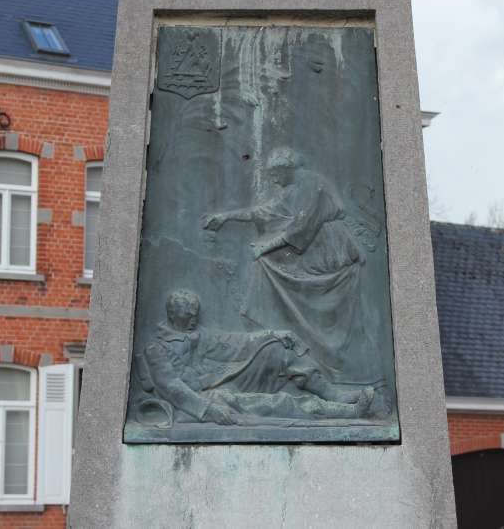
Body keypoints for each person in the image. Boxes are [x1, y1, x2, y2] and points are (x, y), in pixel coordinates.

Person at [203, 147, 386, 388]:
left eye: (274, 173)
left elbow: (302, 226)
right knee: (268, 272)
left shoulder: (313, 184)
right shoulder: (292, 190)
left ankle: (355, 378)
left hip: (333, 256)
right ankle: (287, 358)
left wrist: (265, 247)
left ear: (286, 169)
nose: (273, 179)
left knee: (338, 324)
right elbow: (265, 211)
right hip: (313, 255)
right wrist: (227, 216)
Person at [137, 289, 374, 425]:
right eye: (187, 315)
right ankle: (347, 413)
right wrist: (209, 409)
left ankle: (333, 394)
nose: (193, 320)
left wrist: (273, 334)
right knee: (278, 403)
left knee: (278, 349)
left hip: (227, 384)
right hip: (206, 401)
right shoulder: (156, 350)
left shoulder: (200, 334)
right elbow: (175, 390)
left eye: (195, 315)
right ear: (171, 314)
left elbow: (235, 343)